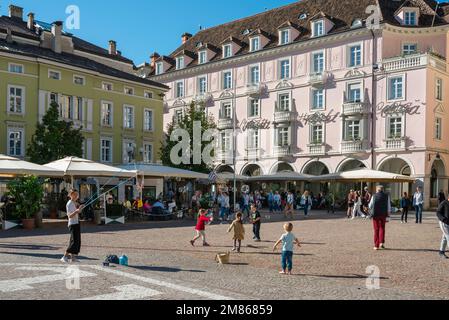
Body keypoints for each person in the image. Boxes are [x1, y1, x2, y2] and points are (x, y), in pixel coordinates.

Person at [61, 190, 84, 263]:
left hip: (76, 223)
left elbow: (77, 212)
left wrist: (80, 209)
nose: (77, 196)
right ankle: (64, 256)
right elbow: (70, 216)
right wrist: (77, 211)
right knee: (73, 241)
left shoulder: (74, 203)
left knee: (77, 241)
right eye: (75, 194)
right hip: (72, 224)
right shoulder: (69, 203)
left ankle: (73, 258)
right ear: (71, 195)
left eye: (77, 194)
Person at [369, 185, 391, 251]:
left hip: (375, 214)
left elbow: (370, 205)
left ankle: (376, 245)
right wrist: (388, 214)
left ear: (377, 189)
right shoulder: (387, 196)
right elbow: (388, 206)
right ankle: (381, 242)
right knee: (382, 228)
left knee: (376, 229)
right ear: (382, 189)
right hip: (383, 214)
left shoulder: (374, 196)